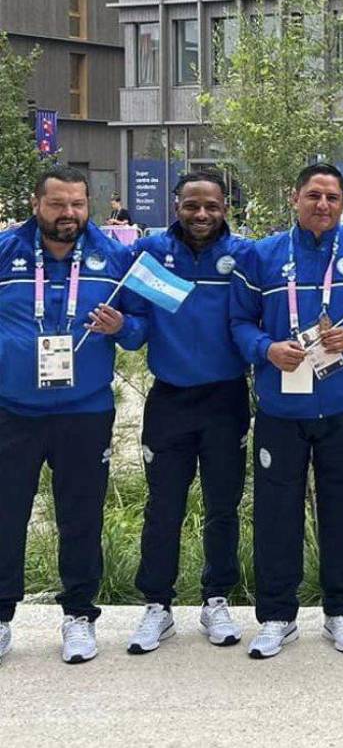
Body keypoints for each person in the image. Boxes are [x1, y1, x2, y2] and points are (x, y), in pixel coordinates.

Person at [230, 164, 343, 659]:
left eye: (332, 197)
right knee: (276, 514)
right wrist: (266, 349)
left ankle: (342, 613)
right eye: (314, 195)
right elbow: (239, 322)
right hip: (281, 408)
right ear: (294, 197)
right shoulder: (263, 254)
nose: (323, 204)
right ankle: (277, 616)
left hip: (342, 405)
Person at [0, 166, 147, 664]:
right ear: (35, 204)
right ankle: (1, 617)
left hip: (85, 411)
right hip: (13, 411)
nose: (69, 214)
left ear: (89, 205)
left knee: (80, 516)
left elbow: (141, 330)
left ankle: (79, 615)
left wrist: (122, 326)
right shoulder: (6, 252)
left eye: (78, 204)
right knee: (6, 514)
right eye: (58, 204)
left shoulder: (114, 257)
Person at [124, 171, 251, 655]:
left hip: (225, 399)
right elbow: (136, 327)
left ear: (225, 208)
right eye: (192, 205)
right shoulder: (150, 254)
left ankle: (216, 599)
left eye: (211, 206)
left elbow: (256, 318)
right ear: (175, 205)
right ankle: (157, 605)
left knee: (223, 506)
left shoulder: (243, 257)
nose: (201, 214)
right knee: (163, 507)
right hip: (170, 400)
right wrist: (120, 327)